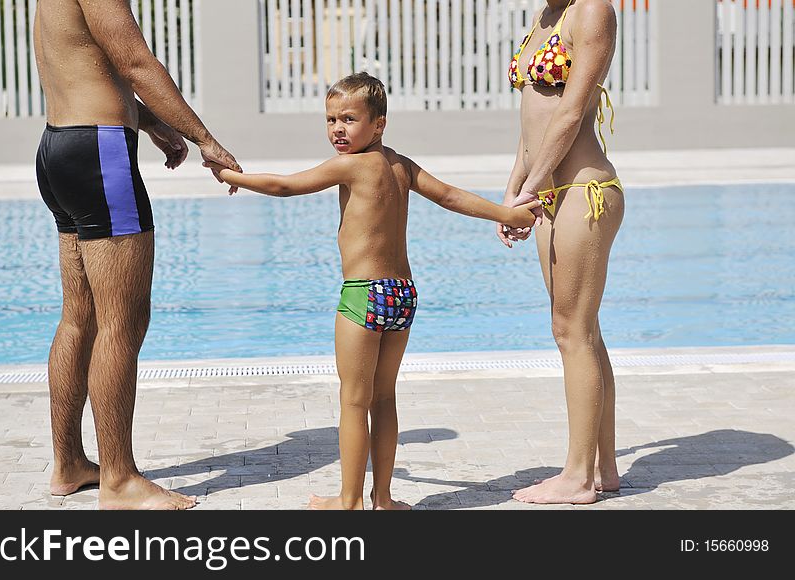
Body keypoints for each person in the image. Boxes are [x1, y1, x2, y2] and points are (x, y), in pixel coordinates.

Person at [208, 72, 541, 510]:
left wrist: (234, 175)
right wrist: (507, 214)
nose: (337, 130)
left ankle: (348, 503)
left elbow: (285, 186)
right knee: (383, 398)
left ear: (379, 123)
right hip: (402, 294)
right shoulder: (400, 166)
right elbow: (450, 196)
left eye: (349, 119)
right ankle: (383, 498)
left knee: (353, 400)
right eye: (330, 120)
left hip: (365, 293)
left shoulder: (351, 166)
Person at [33, 0, 240, 510]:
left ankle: (69, 463)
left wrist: (149, 123)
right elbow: (135, 63)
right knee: (122, 321)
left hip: (60, 146)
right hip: (99, 154)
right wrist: (205, 139)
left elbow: (90, 65)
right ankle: (120, 480)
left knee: (79, 316)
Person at [500, 0, 624, 504]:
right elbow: (532, 121)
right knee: (583, 330)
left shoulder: (593, 10)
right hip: (549, 192)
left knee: (570, 329)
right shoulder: (544, 18)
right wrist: (514, 191)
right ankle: (604, 468)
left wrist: (532, 186)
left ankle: (576, 477)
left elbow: (571, 112)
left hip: (583, 190)